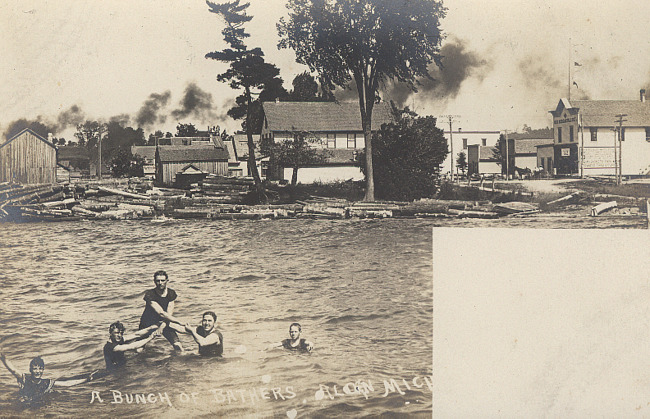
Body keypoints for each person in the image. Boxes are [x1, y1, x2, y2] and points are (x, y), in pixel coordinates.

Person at [0, 353, 96, 404]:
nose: (38, 371)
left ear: (43, 370)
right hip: (25, 404)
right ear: (30, 370)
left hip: (40, 405)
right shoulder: (25, 379)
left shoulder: (47, 383)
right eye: (35, 369)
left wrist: (87, 379)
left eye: (40, 369)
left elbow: (67, 384)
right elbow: (13, 369)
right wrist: (2, 356)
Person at [139, 270, 184, 351]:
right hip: (147, 323)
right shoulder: (150, 294)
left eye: (162, 280)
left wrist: (162, 327)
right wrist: (179, 322)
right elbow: (161, 313)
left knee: (178, 346)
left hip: (164, 322)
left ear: (167, 281)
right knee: (139, 349)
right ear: (154, 281)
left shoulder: (171, 293)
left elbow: (168, 314)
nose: (160, 283)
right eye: (158, 281)